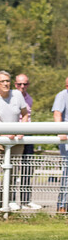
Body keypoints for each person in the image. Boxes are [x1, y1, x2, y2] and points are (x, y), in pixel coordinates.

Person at [0, 70, 30, 212]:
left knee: (13, 173)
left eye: (7, 80)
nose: (6, 83)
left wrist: (21, 129)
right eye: (2, 81)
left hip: (15, 140)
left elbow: (25, 114)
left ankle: (7, 203)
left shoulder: (17, 95)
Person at [15, 73, 36, 209]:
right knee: (12, 168)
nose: (22, 87)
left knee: (28, 167)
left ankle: (25, 200)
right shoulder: (12, 98)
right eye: (19, 84)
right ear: (15, 85)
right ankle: (10, 200)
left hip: (27, 133)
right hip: (14, 134)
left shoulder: (29, 99)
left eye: (25, 84)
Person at [53, 76, 68, 214]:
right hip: (67, 139)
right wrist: (60, 131)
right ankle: (62, 206)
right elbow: (57, 113)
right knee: (67, 172)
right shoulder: (62, 95)